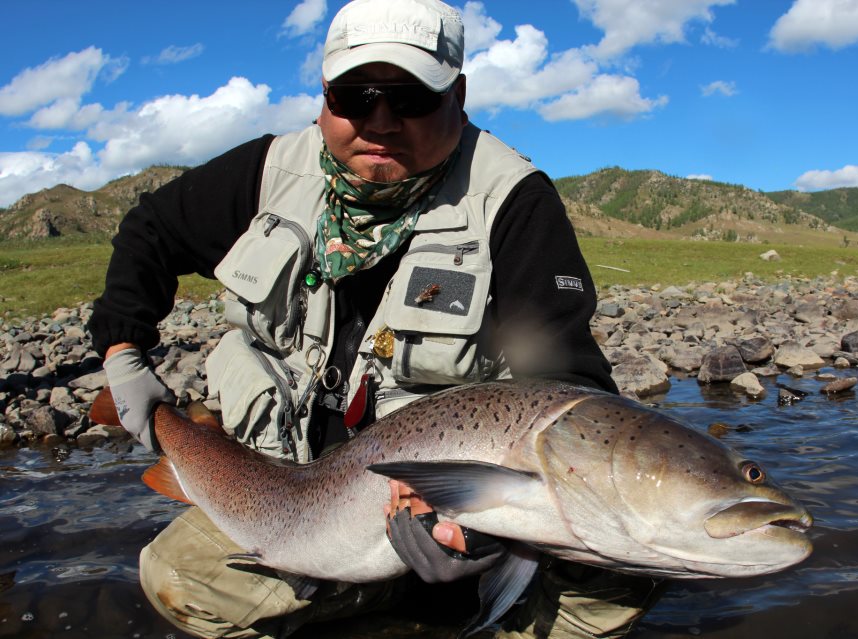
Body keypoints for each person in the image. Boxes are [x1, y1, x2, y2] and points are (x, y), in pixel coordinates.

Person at [89, 0, 665, 637]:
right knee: (177, 579)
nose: (380, 121)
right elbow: (149, 231)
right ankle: (369, 600)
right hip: (287, 496)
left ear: (460, 93)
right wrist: (123, 357)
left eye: (411, 97)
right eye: (355, 96)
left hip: (449, 514)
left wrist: (492, 532)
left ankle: (445, 601)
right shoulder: (270, 172)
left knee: (626, 574)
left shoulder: (512, 202)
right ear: (325, 96)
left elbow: (567, 384)